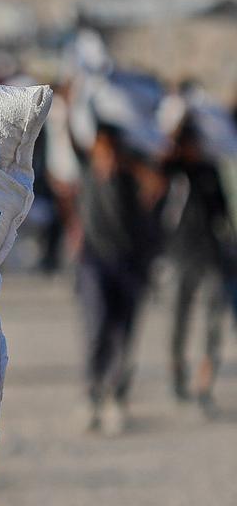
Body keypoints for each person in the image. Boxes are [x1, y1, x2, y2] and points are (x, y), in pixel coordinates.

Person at [74, 124, 162, 435]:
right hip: (94, 263)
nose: (106, 156)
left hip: (130, 264)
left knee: (123, 334)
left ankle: (116, 396)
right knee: (97, 328)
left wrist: (128, 165)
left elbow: (158, 184)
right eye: (101, 149)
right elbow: (69, 130)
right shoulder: (85, 169)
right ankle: (92, 394)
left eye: (112, 150)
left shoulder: (132, 175)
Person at [162, 119, 234, 411]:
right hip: (180, 257)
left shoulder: (209, 171)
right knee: (178, 321)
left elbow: (223, 213)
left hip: (213, 258)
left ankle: (205, 384)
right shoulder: (171, 173)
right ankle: (177, 375)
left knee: (213, 324)